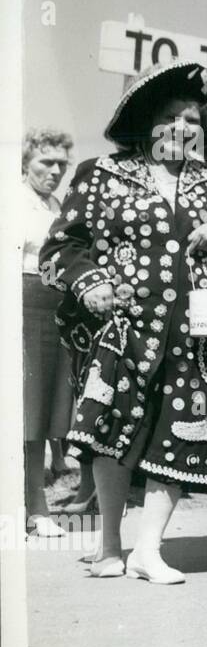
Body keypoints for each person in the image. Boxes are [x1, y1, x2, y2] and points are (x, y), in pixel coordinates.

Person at [41, 61, 207, 583]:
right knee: (112, 432)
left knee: (175, 434)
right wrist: (89, 282)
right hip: (122, 331)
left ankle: (148, 549)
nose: (183, 127)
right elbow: (60, 247)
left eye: (192, 118)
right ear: (146, 120)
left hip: (195, 335)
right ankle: (110, 544)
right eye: (170, 116)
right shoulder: (100, 173)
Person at [22, 127, 76, 538]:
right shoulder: (13, 201)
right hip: (23, 308)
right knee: (29, 414)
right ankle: (34, 508)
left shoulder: (55, 204)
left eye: (61, 164)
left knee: (49, 410)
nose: (55, 171)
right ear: (26, 161)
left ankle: (34, 504)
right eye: (46, 162)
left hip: (55, 310)